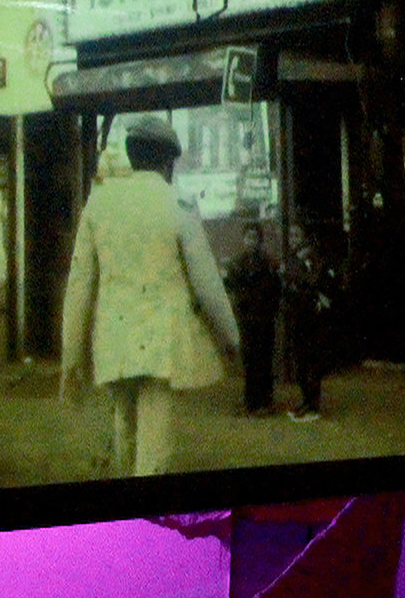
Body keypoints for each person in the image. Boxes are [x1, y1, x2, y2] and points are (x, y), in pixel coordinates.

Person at [60, 116, 239, 476]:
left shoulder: (98, 205)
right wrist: (230, 337)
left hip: (113, 338)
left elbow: (79, 284)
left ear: (132, 156)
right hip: (161, 343)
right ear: (167, 162)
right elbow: (207, 285)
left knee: (123, 429)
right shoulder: (178, 208)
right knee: (155, 445)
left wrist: (71, 354)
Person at [284, 223, 342, 421]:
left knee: (310, 360)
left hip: (309, 316)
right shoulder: (293, 257)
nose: (293, 238)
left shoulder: (311, 258)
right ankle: (305, 399)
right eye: (291, 234)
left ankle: (313, 403)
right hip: (296, 314)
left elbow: (311, 282)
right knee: (300, 361)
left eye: (297, 234)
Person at [224, 222, 282, 415]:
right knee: (250, 360)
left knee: (264, 360)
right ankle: (252, 401)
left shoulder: (268, 263)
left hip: (263, 318)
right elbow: (231, 287)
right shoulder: (237, 264)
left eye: (254, 238)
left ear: (259, 241)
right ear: (244, 239)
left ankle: (264, 401)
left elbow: (275, 290)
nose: (251, 242)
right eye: (248, 237)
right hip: (247, 319)